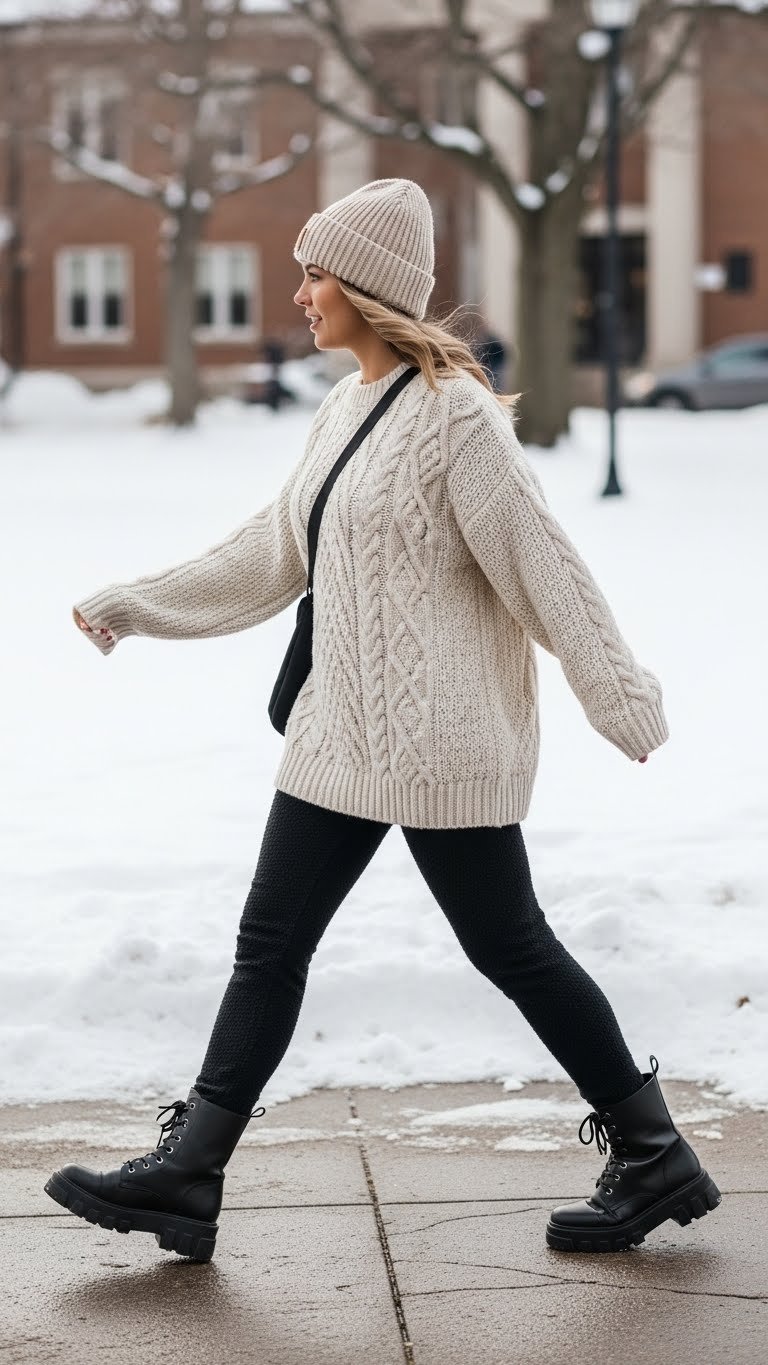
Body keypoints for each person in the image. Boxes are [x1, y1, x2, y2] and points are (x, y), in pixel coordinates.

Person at [49, 178, 721, 1263]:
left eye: (318, 273)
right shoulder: (341, 409)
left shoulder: (456, 416)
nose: (300, 291)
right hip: (337, 736)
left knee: (513, 949)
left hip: (441, 740)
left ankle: (654, 1154)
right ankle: (189, 1176)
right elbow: (273, 552)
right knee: (269, 948)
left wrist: (618, 694)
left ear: (368, 288)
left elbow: (545, 563)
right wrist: (139, 602)